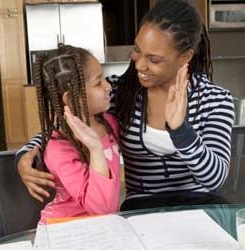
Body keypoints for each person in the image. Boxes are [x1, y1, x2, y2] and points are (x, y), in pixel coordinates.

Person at [16, 0, 234, 210]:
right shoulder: (118, 93)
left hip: (201, 203)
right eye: (137, 49)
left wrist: (180, 131)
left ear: (185, 57)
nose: (139, 64)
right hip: (142, 206)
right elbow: (70, 124)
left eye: (154, 59)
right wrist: (26, 155)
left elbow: (215, 179)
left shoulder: (214, 100)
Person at [29, 44, 120, 223]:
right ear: (71, 99)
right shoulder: (58, 148)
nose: (108, 86)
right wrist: (95, 149)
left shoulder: (109, 122)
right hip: (64, 227)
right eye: (98, 82)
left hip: (101, 224)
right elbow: (101, 208)